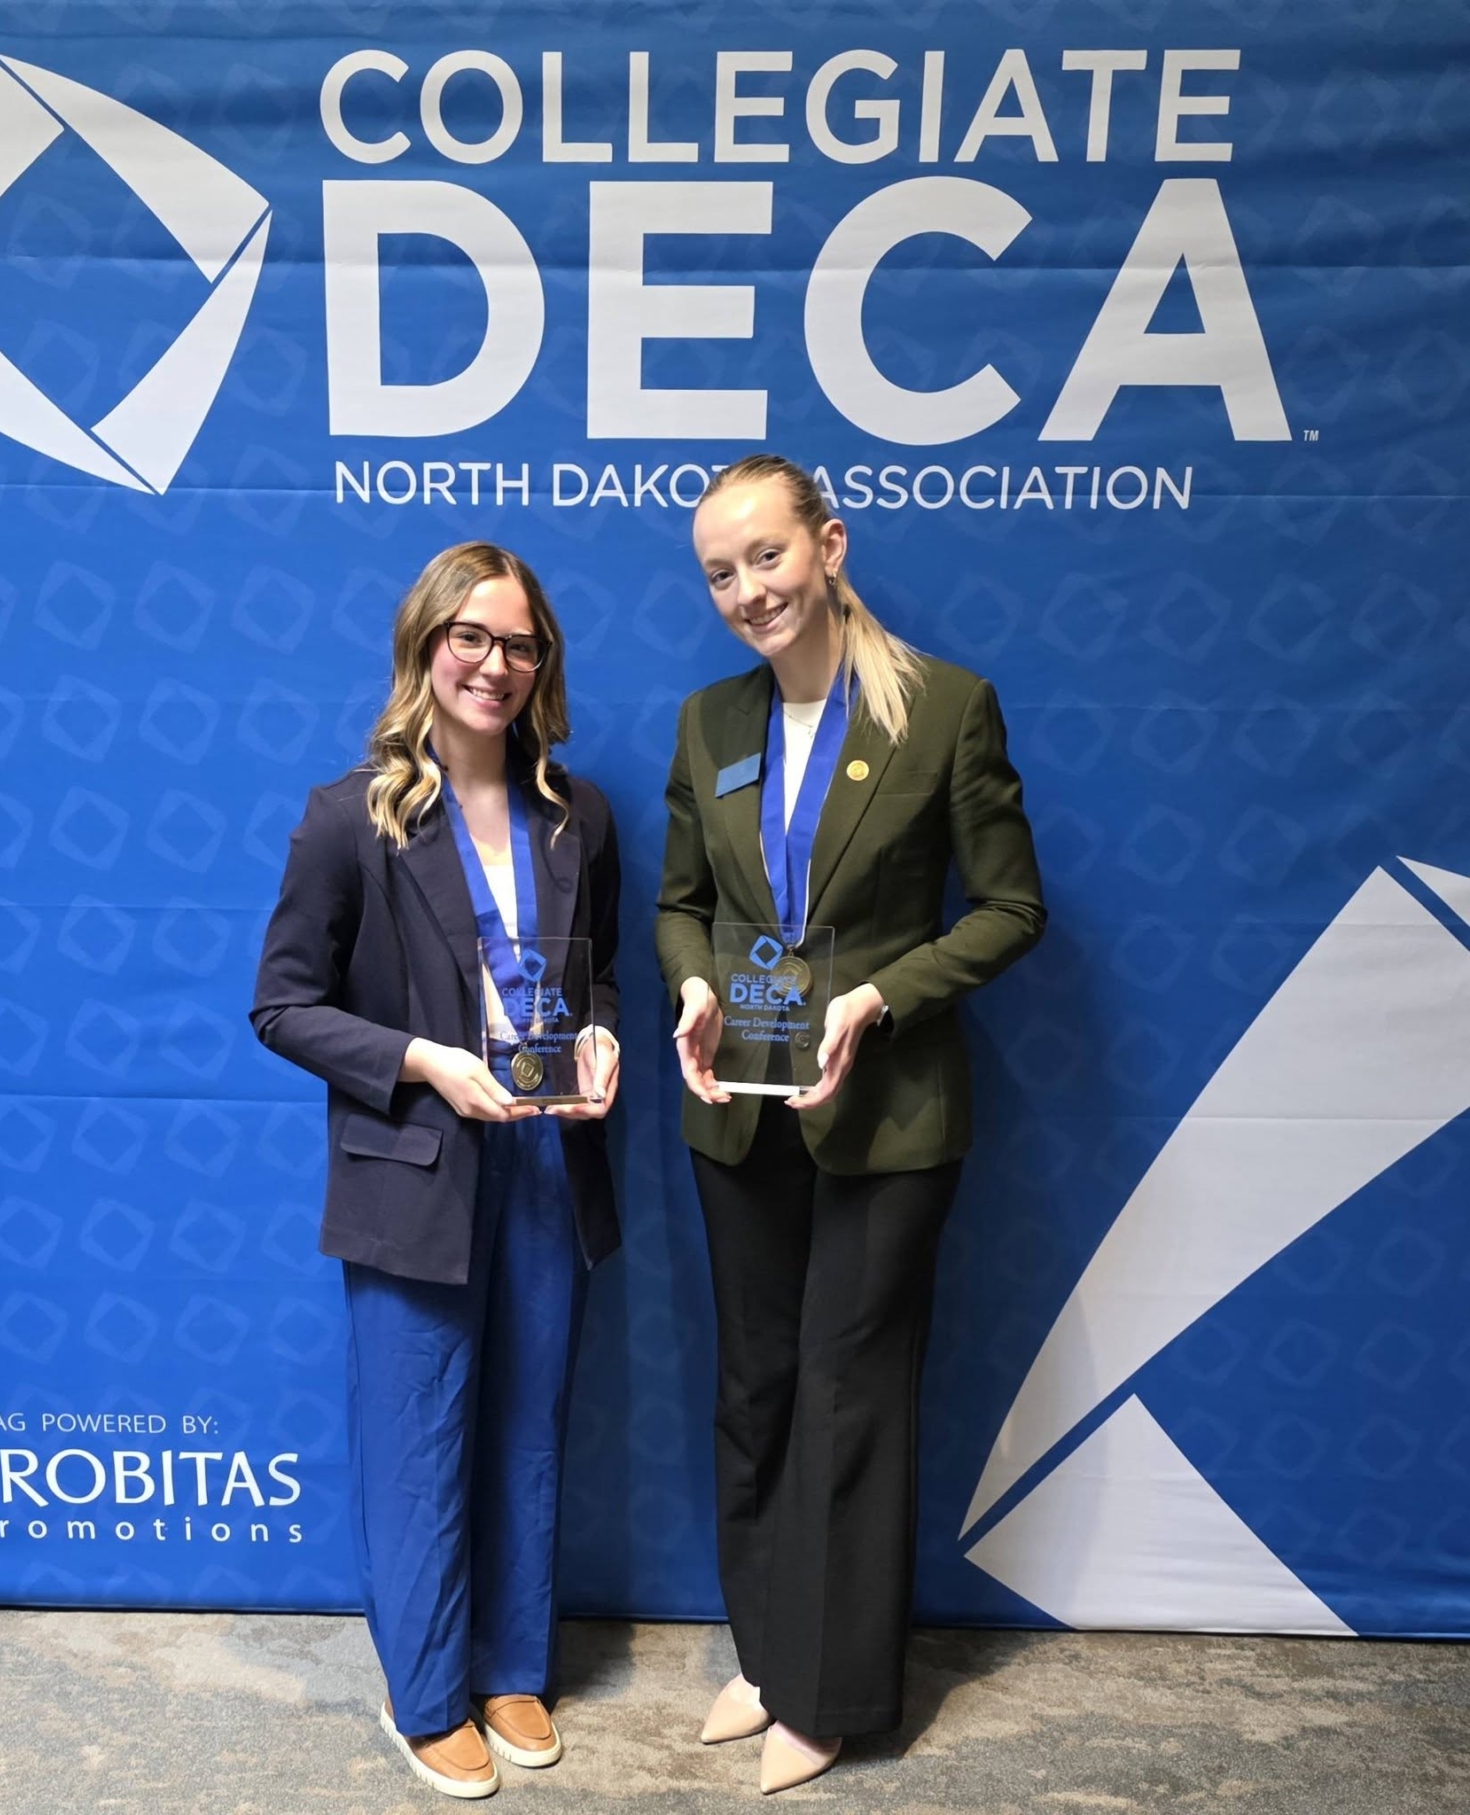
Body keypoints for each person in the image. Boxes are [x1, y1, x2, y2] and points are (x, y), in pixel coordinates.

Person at [656, 454, 1044, 1795]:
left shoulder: (944, 708)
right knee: (754, 1388)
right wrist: (697, 985)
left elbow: (1009, 910)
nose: (746, 588)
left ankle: (829, 1693)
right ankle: (769, 1653)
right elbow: (679, 899)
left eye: (766, 555)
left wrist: (878, 996)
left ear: (828, 543)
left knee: (848, 1393)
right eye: (720, 570)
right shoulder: (711, 722)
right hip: (741, 1112)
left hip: (885, 1117)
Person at [252, 542, 621, 1800]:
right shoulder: (347, 818)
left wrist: (608, 1028)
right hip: (414, 1164)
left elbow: (598, 973)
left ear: (542, 664)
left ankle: (512, 1664)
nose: (495, 665)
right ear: (424, 647)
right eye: (470, 637)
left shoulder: (579, 815)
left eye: (519, 644)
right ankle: (424, 1694)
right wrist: (419, 1058)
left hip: (548, 1164)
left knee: (527, 1433)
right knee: (417, 1441)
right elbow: (282, 1008)